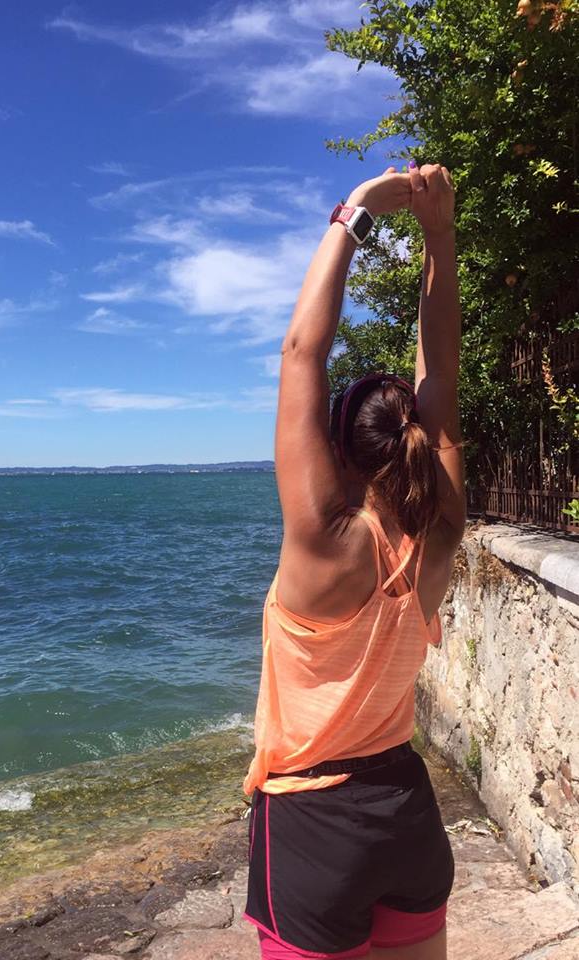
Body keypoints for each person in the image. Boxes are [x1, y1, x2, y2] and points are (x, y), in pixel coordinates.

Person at [242, 162, 466, 960]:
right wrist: (438, 235)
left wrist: (355, 214)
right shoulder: (440, 531)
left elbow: (301, 352)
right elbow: (441, 373)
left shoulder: (321, 541)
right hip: (406, 812)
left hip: (312, 824)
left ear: (338, 450)